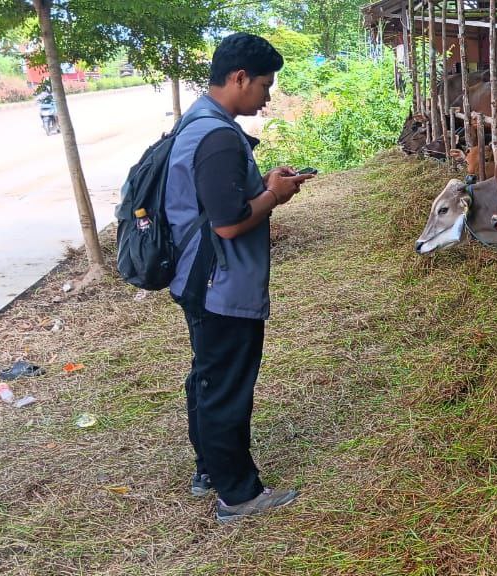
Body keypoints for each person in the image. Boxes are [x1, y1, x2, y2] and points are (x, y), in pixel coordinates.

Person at [164, 32, 313, 523]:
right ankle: (239, 494)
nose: (267, 96)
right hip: (219, 285)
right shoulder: (218, 136)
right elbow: (228, 222)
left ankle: (209, 468)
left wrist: (263, 183)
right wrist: (276, 197)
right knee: (227, 383)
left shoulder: (199, 121)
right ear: (239, 78)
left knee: (209, 376)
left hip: (200, 279)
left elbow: (220, 200)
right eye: (265, 85)